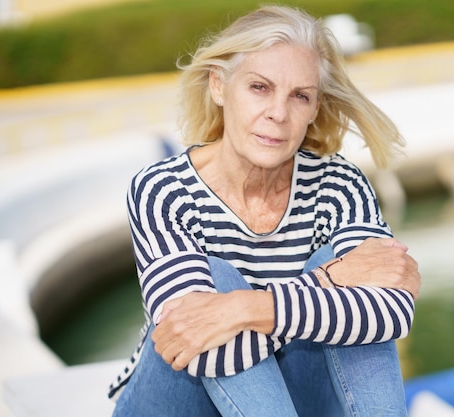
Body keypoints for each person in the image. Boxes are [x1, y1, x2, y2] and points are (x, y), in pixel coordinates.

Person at [108, 5, 421, 417]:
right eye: (259, 87)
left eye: (300, 96)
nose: (278, 113)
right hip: (175, 404)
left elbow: (392, 310)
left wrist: (246, 310)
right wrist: (332, 282)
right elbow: (195, 341)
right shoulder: (163, 189)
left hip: (294, 401)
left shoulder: (337, 184)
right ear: (219, 86)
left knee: (329, 270)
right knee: (218, 278)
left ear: (313, 109)